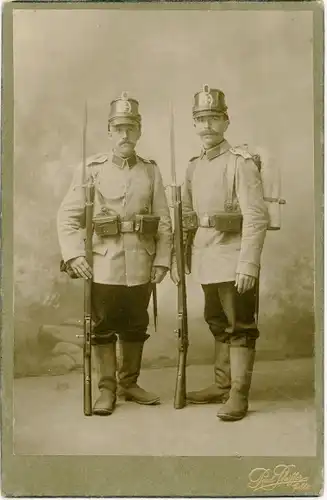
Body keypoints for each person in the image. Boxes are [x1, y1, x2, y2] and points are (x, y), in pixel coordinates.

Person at [57, 92, 172, 416]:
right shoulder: (90, 169)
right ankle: (106, 389)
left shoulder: (150, 171)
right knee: (104, 326)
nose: (125, 134)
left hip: (141, 261)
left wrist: (163, 259)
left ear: (139, 130)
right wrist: (73, 255)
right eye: (118, 127)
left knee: (136, 324)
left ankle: (129, 383)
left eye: (131, 127)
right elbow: (67, 217)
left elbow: (163, 219)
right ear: (109, 131)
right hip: (103, 263)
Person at [171, 85, 269, 421]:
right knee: (217, 322)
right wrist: (180, 258)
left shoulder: (240, 163)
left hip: (233, 257)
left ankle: (238, 396)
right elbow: (185, 218)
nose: (207, 126)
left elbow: (256, 217)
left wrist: (249, 263)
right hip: (205, 256)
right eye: (200, 119)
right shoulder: (193, 166)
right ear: (194, 124)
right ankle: (222, 385)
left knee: (240, 325)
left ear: (226, 122)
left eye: (213, 118)